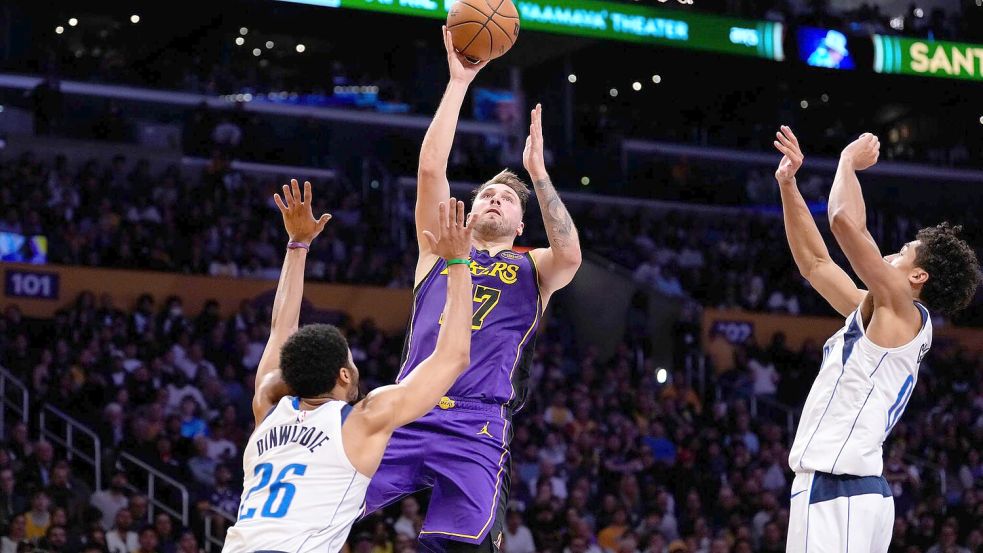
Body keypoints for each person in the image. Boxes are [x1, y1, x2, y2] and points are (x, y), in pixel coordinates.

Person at [364, 27, 582, 552]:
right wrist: (459, 81)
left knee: (460, 544)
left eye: (506, 200)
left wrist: (537, 174)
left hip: (479, 419)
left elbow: (571, 252)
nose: (493, 200)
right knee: (324, 501)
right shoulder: (440, 248)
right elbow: (429, 169)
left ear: (520, 225)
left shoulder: (535, 267)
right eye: (485, 193)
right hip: (410, 404)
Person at [222, 180, 476, 552]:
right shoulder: (361, 419)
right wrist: (457, 262)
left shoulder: (269, 405)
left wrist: (297, 245)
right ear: (343, 374)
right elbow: (453, 357)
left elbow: (281, 329)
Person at [772, 127, 981, 552]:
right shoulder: (887, 314)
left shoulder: (900, 308)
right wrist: (788, 184)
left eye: (904, 250)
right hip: (852, 491)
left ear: (918, 276)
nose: (891, 252)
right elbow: (815, 264)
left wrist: (847, 160)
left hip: (839, 489)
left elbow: (845, 222)